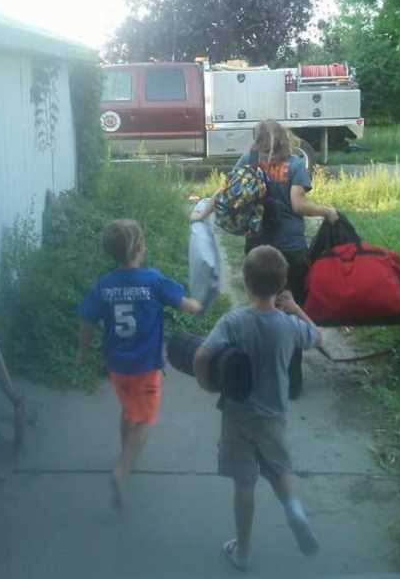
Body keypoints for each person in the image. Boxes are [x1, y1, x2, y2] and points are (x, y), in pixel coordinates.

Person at [194, 245, 322, 571]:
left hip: (238, 414)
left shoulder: (233, 321)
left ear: (246, 282)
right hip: (274, 414)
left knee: (244, 482)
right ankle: (294, 510)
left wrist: (207, 384)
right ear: (281, 286)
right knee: (280, 470)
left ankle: (244, 550)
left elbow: (202, 355)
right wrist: (295, 308)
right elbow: (316, 337)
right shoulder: (288, 325)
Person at [191, 120, 338, 399]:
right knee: (289, 311)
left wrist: (202, 214)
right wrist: (326, 211)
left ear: (256, 139)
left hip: (258, 246)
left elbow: (225, 191)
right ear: (287, 138)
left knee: (260, 312)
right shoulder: (295, 165)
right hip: (290, 249)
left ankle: (257, 375)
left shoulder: (250, 159)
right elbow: (298, 205)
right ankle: (292, 384)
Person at [76, 219, 202, 509]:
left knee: (128, 408)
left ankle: (126, 451)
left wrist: (83, 352)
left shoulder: (104, 285)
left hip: (116, 366)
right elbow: (188, 305)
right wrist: (199, 305)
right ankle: (123, 470)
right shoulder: (153, 281)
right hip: (145, 366)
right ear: (140, 248)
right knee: (144, 419)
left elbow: (86, 318)